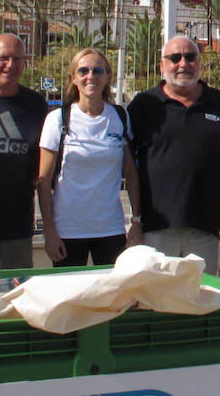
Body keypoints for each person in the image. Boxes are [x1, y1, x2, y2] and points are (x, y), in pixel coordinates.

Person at [127, 35, 220, 273]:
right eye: (175, 58)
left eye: (190, 57)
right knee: (158, 304)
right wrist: (134, 220)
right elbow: (125, 163)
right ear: (162, 65)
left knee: (201, 302)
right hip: (156, 229)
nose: (183, 63)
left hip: (205, 228)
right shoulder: (143, 105)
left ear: (199, 62)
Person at [36, 48, 141, 267]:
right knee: (70, 298)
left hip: (110, 229)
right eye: (83, 70)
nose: (90, 76)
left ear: (108, 77)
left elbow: (131, 174)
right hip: (67, 231)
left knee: (112, 298)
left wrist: (137, 221)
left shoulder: (120, 117)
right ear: (73, 78)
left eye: (98, 70)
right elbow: (43, 182)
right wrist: (50, 232)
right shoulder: (57, 120)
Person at [0, 33, 47, 269]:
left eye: (17, 59)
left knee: (17, 297)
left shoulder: (36, 105)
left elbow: (42, 166)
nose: (10, 65)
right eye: (3, 58)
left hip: (17, 227)